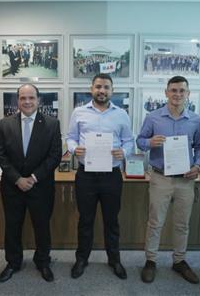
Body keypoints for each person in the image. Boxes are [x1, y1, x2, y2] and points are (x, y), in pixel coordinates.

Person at [137, 76, 200, 284]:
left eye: (182, 91)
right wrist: (149, 141)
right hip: (160, 177)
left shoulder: (195, 120)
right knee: (155, 222)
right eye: (173, 90)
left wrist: (197, 165)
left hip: (185, 179)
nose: (177, 94)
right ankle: (150, 261)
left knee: (182, 224)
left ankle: (179, 260)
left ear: (188, 94)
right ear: (166, 92)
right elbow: (140, 142)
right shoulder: (153, 117)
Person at [66, 73, 134, 279]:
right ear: (91, 89)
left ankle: (114, 260)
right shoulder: (79, 112)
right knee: (85, 220)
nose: (101, 91)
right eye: (98, 87)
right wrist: (74, 149)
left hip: (111, 175)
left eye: (106, 87)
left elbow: (129, 141)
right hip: (86, 175)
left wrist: (124, 152)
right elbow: (70, 138)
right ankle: (82, 259)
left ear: (112, 91)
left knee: (111, 220)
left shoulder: (122, 114)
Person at [0, 83, 62, 283]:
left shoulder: (52, 123)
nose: (27, 101)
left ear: (38, 100)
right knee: (13, 226)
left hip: (40, 186)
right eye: (23, 98)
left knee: (41, 226)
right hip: (12, 187)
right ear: (17, 100)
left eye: (31, 98)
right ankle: (13, 262)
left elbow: (55, 156)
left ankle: (43, 261)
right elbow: (1, 155)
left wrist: (33, 178)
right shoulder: (5, 123)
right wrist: (17, 179)